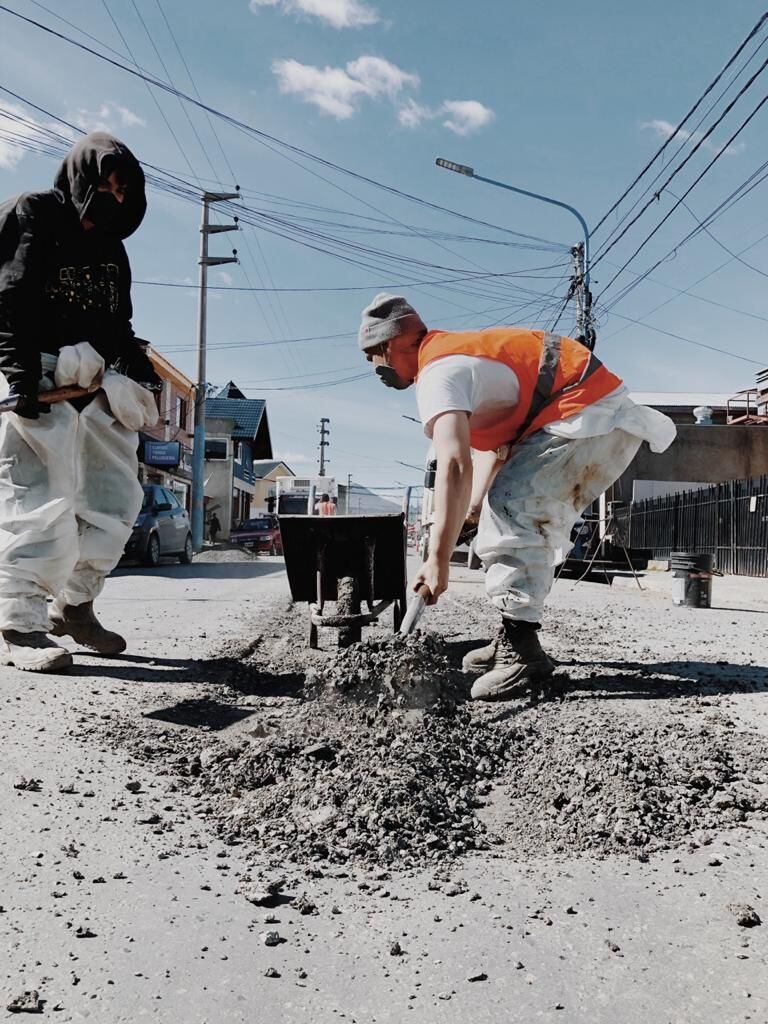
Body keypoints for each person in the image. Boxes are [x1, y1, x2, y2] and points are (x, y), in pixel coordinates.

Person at [358, 293, 676, 701]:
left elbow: (455, 464)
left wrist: (437, 562)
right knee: (500, 504)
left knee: (512, 508)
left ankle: (523, 651)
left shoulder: (437, 371)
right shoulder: (457, 361)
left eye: (373, 356)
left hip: (583, 407)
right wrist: (470, 514)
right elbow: (495, 451)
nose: (375, 369)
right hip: (578, 407)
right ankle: (510, 632)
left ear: (391, 343)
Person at [0, 132, 161, 672]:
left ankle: (75, 607)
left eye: (124, 191)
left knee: (116, 499)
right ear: (84, 177)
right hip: (36, 372)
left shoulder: (114, 249)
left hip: (95, 380)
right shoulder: (33, 214)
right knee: (38, 498)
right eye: (109, 186)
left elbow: (120, 319)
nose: (116, 199)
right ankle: (20, 623)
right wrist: (19, 376)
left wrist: (133, 361)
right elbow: (11, 297)